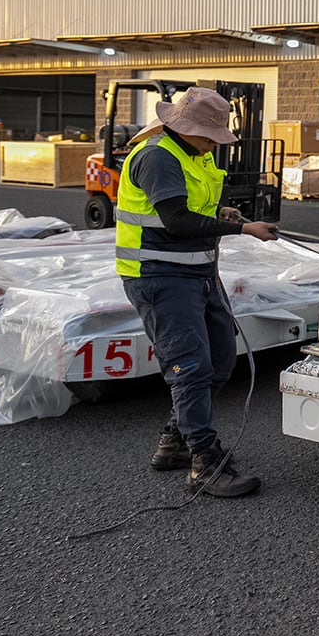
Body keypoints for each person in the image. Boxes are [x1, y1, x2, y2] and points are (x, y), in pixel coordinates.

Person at [116, 86, 279, 499]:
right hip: (159, 275)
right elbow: (176, 221)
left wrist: (220, 213)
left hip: (197, 272)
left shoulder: (195, 153)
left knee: (221, 357)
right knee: (189, 366)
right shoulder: (158, 157)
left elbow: (190, 209)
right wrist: (243, 229)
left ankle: (175, 440)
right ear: (182, 126)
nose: (214, 144)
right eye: (209, 135)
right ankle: (204, 464)